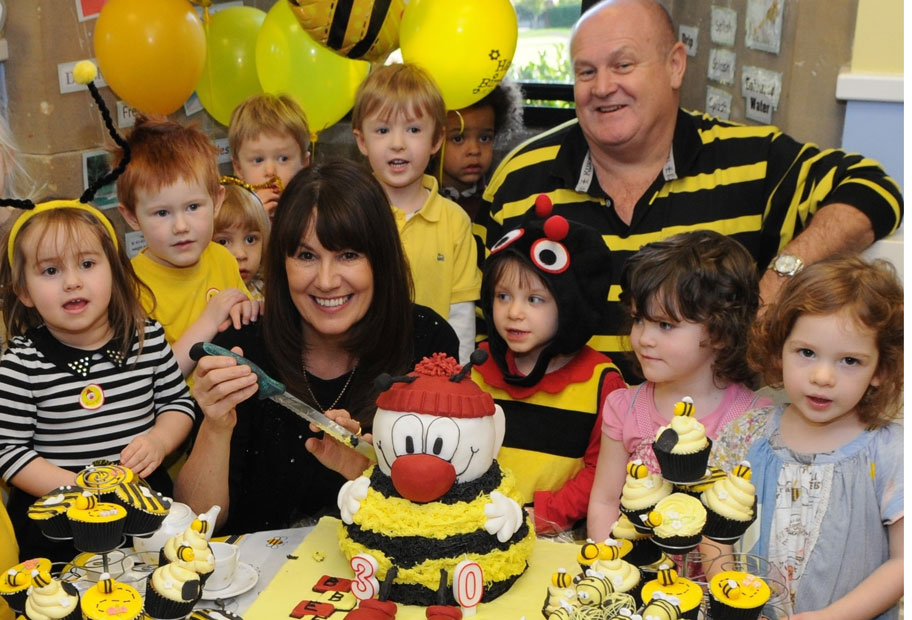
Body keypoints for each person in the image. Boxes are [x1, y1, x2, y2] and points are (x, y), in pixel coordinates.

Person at [478, 0, 903, 379]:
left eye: (623, 65)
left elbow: (872, 189)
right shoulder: (520, 177)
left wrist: (778, 279)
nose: (603, 87)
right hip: (559, 443)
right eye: (586, 71)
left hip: (710, 447)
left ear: (675, 65)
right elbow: (480, 323)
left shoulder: (751, 160)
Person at [175, 159, 459, 534]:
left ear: (381, 259)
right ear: (283, 261)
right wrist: (215, 425)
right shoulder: (243, 345)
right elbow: (194, 526)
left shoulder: (426, 342)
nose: (326, 281)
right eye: (307, 256)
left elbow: (453, 511)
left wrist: (366, 471)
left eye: (348, 255)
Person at [709, 256, 903, 620]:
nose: (823, 376)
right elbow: (714, 535)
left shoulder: (892, 451)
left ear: (882, 369)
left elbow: (903, 564)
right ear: (779, 350)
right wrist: (730, 597)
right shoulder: (745, 434)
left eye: (849, 361)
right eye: (807, 353)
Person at [0, 202, 195, 561]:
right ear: (23, 291)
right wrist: (79, 488)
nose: (72, 281)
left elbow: (178, 404)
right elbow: (8, 450)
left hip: (146, 515)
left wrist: (158, 439)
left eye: (87, 264)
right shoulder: (21, 363)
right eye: (51, 270)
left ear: (117, 272)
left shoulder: (146, 339)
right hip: (59, 529)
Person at [587, 230, 769, 541]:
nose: (644, 338)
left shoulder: (757, 418)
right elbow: (605, 501)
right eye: (639, 319)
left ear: (722, 333)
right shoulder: (623, 407)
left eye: (665, 325)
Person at [471, 196, 625, 534]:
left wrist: (539, 515)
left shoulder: (602, 383)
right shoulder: (476, 368)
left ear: (570, 305)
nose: (514, 312)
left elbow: (602, 471)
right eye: (503, 296)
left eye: (535, 299)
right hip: (477, 529)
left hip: (559, 537)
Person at [352, 63, 480, 363]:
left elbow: (460, 314)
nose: (398, 144)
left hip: (431, 375)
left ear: (436, 140)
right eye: (382, 130)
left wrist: (456, 379)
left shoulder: (455, 221)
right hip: (361, 368)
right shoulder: (352, 213)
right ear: (361, 141)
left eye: (413, 130)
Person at [116, 116, 258, 377]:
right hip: (182, 412)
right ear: (132, 217)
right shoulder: (132, 286)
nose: (180, 226)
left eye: (193, 207)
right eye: (161, 213)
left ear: (216, 201)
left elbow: (245, 318)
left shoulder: (222, 258)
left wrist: (248, 309)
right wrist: (209, 321)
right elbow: (152, 380)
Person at [432, 78, 524, 222]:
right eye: (458, 139)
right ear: (434, 140)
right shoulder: (419, 198)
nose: (474, 150)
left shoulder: (496, 202)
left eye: (484, 138)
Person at [229, 93, 311, 219]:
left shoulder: (311, 212)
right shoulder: (229, 214)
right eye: (258, 160)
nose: (270, 171)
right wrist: (254, 221)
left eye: (283, 159)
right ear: (238, 168)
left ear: (304, 163)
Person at [213, 177, 270, 300]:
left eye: (250, 239)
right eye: (223, 242)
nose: (240, 254)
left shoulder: (268, 292)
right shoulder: (202, 297)